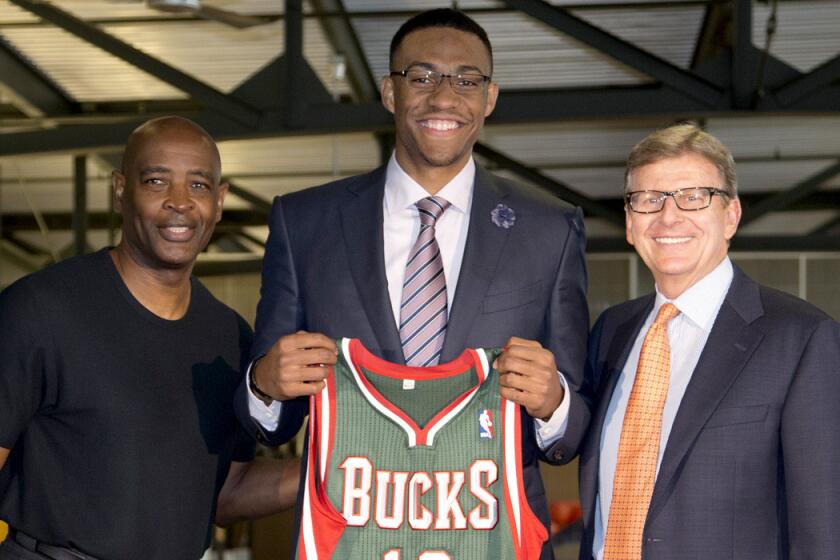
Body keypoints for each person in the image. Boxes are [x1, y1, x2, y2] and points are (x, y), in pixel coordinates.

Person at [236, 8, 590, 559]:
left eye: (466, 80)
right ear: (388, 92)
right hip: (351, 540)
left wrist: (555, 404)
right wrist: (263, 384)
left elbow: (570, 431)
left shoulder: (550, 230)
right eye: (421, 77)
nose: (444, 97)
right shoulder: (304, 223)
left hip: (495, 542)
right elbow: (272, 424)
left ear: (489, 98)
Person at [0, 116, 298, 560]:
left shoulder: (230, 338)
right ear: (121, 189)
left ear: (219, 201)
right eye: (157, 181)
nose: (180, 203)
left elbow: (225, 495)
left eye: (198, 186)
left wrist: (331, 468)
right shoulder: (40, 309)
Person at [578, 122, 840, 560]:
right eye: (649, 200)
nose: (669, 216)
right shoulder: (611, 332)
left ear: (731, 215)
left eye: (694, 196)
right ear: (629, 223)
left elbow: (823, 531)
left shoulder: (801, 339)